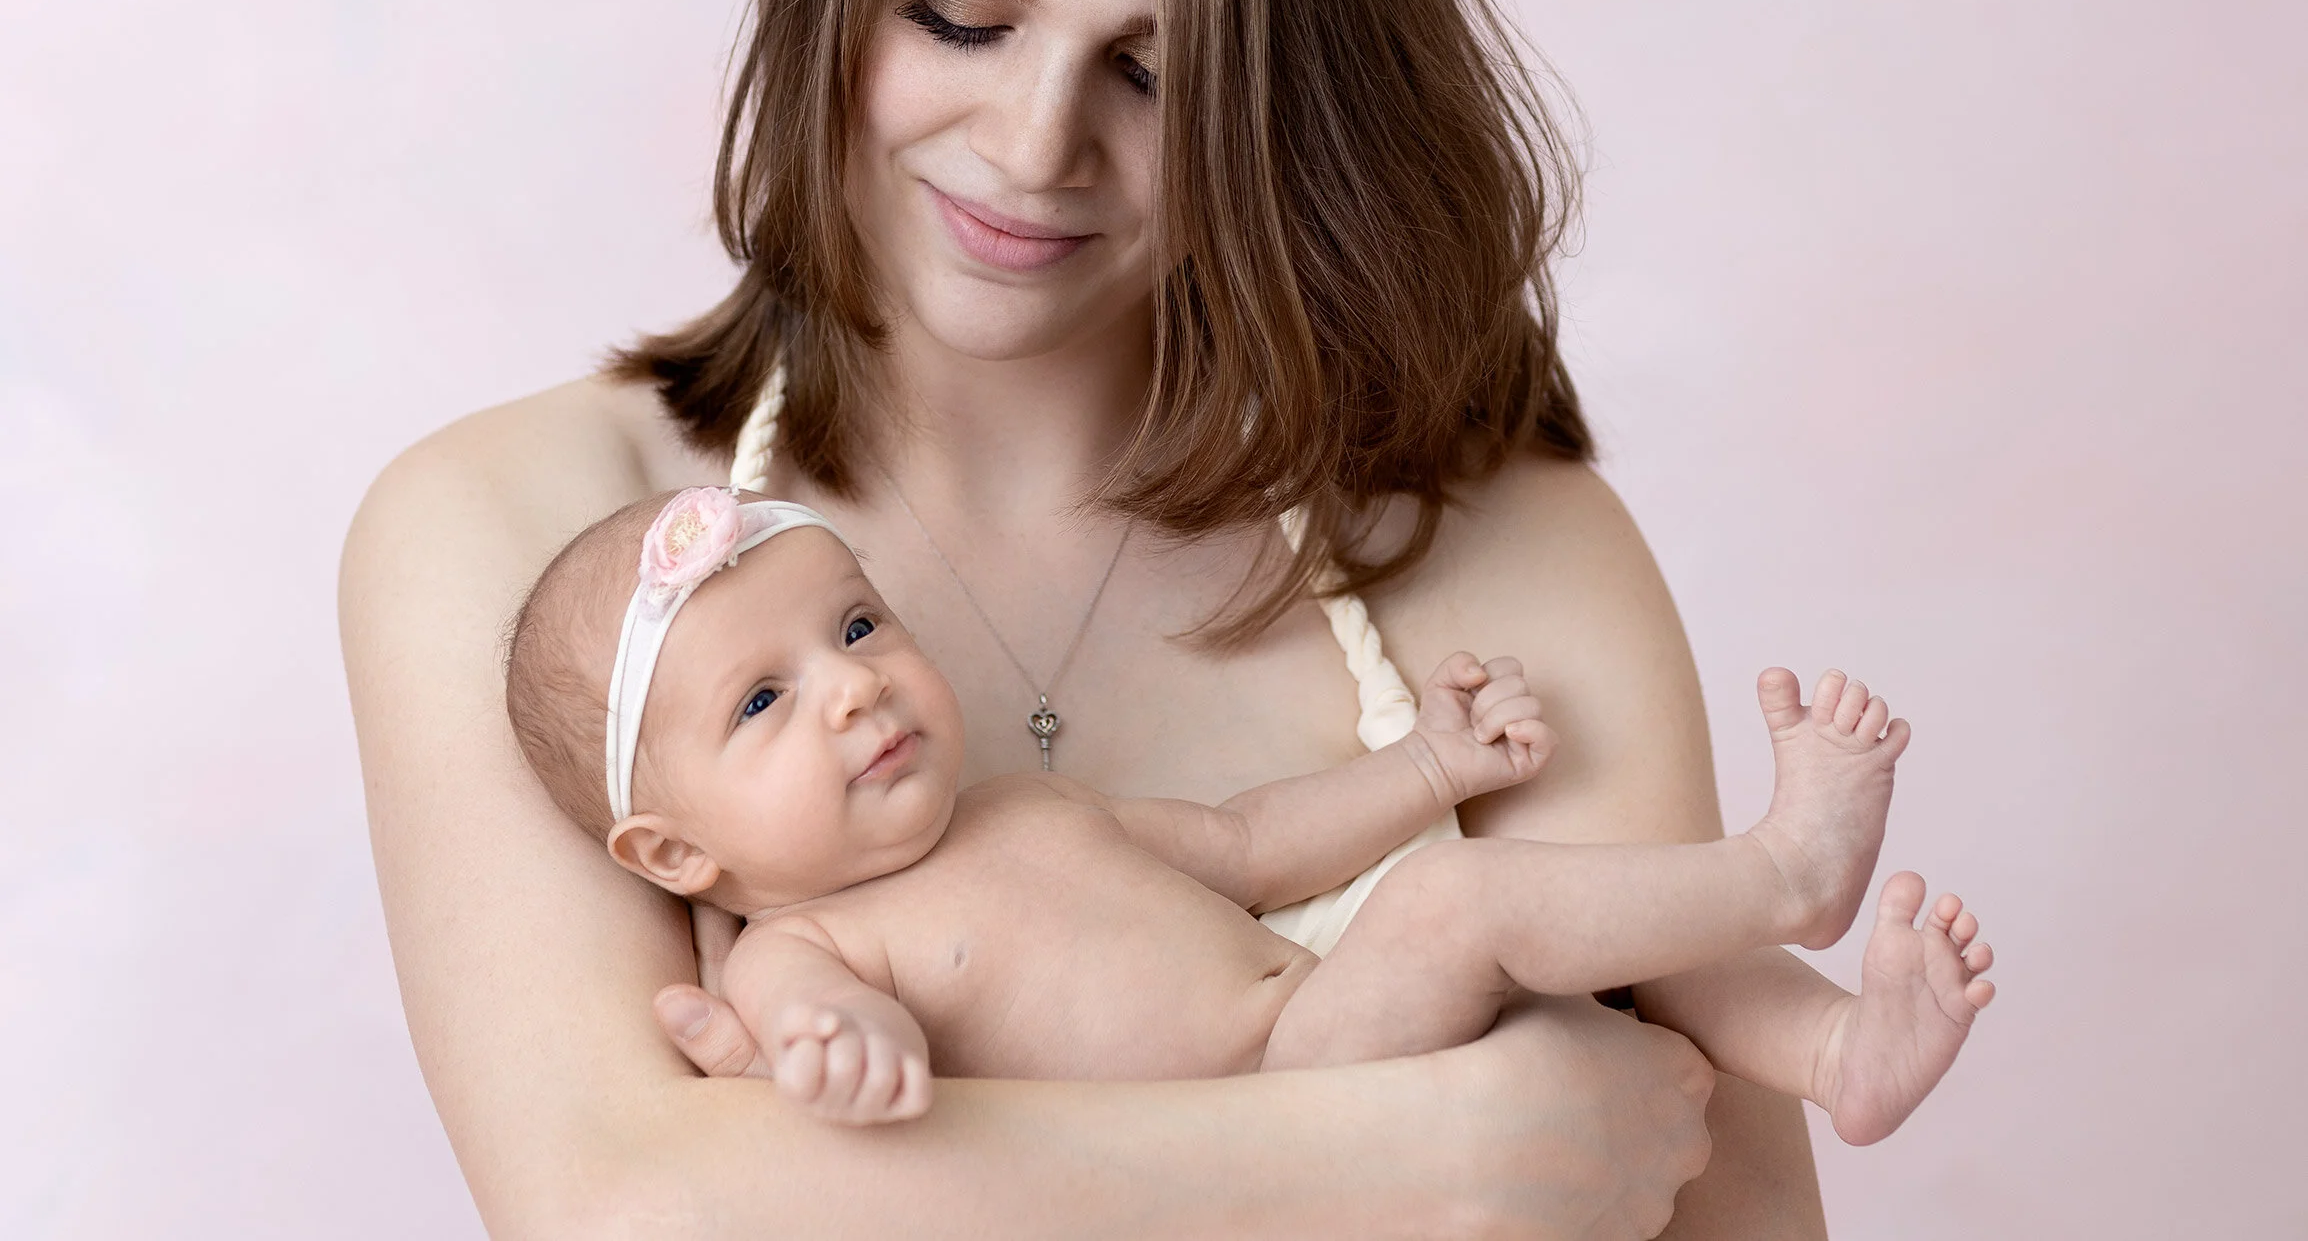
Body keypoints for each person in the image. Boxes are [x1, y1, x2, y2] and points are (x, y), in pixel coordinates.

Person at [341, 0, 1855, 1237]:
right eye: (956, 14)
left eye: (1154, 70)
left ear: (1294, 109)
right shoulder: (512, 542)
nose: (1032, 145)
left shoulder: (1519, 557)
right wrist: (1424, 1158)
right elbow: (616, 1204)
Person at [503, 485, 1991, 1134]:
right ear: (678, 852)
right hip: (1271, 1102)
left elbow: (1251, 844)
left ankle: (1831, 1046)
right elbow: (868, 1064)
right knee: (1462, 906)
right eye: (760, 702)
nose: (849, 689)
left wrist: (1432, 769)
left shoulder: (1027, 808)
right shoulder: (796, 953)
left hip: (1334, 1009)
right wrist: (844, 1055)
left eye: (858, 627)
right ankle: (1791, 870)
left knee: (1570, 898)